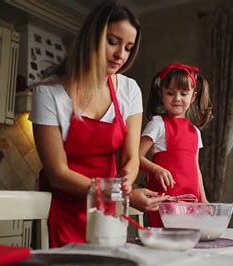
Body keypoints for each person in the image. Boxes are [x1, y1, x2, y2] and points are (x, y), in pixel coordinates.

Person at [30, 0, 146, 248]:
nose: (120, 55)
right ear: (91, 37)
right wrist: (117, 192)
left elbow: (131, 158)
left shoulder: (129, 90)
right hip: (61, 210)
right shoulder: (49, 93)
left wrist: (126, 181)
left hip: (107, 212)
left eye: (128, 47)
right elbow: (58, 174)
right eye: (113, 42)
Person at [139, 63, 214, 227]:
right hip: (165, 202)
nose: (177, 98)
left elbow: (196, 169)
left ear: (193, 97)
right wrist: (155, 169)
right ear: (161, 94)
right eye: (170, 93)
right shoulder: (158, 124)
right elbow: (135, 157)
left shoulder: (195, 131)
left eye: (183, 93)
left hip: (191, 203)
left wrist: (204, 199)